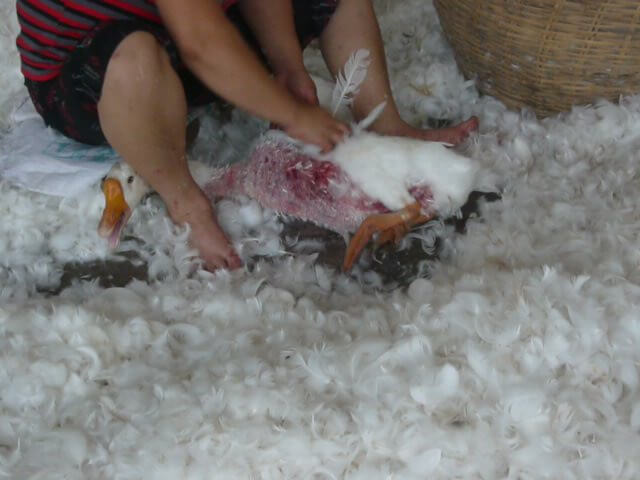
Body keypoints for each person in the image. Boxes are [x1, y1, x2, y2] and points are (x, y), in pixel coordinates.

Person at [16, 0, 478, 271]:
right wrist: (293, 115)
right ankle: (185, 202)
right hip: (86, 76)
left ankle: (387, 123)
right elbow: (199, 41)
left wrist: (288, 70)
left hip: (171, 40)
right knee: (136, 57)